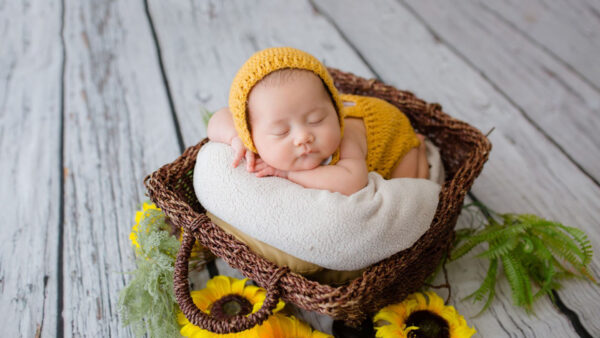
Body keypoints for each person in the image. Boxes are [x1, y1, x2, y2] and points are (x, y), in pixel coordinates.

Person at [208, 47, 429, 196]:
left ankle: (418, 147)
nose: (303, 136)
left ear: (335, 110)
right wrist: (235, 138)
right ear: (250, 132)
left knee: (407, 189)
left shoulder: (346, 138)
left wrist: (288, 174)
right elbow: (218, 118)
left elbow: (353, 181)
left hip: (393, 135)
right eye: (281, 131)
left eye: (316, 120)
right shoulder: (250, 129)